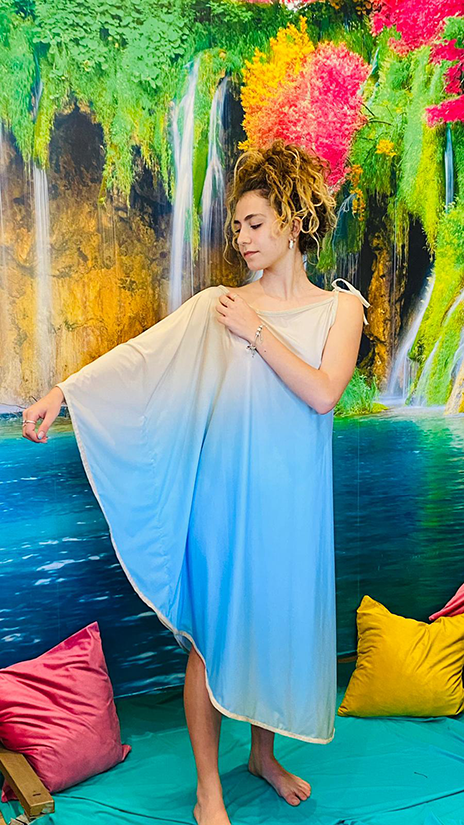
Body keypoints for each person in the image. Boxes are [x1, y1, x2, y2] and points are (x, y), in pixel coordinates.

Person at [22, 139, 370, 825]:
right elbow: (142, 358)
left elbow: (323, 393)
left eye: (255, 223)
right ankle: (209, 787)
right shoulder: (220, 304)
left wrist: (257, 331)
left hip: (292, 503)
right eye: (237, 226)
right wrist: (64, 392)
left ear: (295, 222)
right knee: (212, 640)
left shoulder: (341, 309)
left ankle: (263, 757)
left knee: (271, 630)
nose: (241, 238)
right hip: (223, 501)